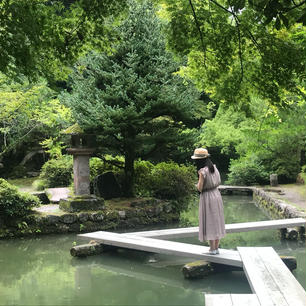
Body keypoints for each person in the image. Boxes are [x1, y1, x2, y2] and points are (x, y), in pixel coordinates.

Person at [191, 148, 226, 255]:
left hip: (207, 196)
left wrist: (197, 182)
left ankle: (212, 249)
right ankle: (216, 248)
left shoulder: (202, 171)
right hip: (216, 194)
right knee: (217, 220)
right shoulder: (214, 168)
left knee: (210, 221)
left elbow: (200, 188)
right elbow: (219, 181)